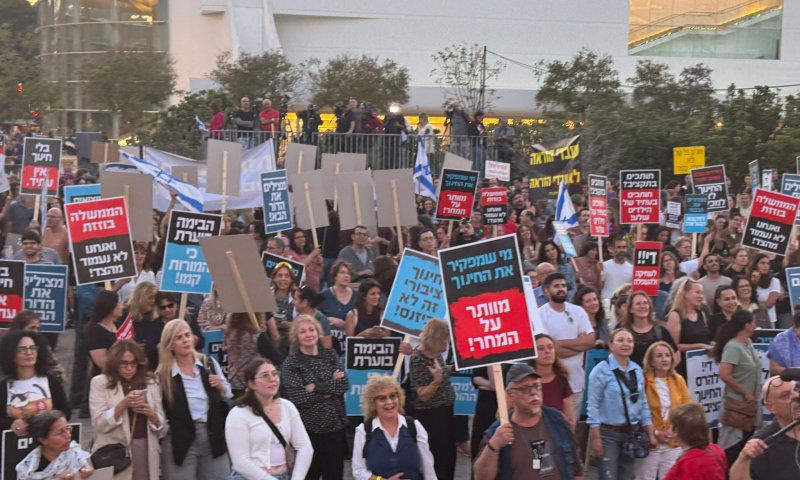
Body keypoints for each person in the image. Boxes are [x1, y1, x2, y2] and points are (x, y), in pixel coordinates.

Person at [473, 364, 584, 480]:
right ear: (511, 394)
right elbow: (481, 477)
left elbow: (576, 467)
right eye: (525, 388)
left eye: (537, 386)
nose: (534, 393)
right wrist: (494, 445)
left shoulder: (558, 420)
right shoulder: (499, 431)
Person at [157, 320, 232, 479]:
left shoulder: (208, 363)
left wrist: (220, 387)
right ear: (170, 345)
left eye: (187, 335)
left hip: (212, 434)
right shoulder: (162, 375)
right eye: (179, 338)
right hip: (180, 439)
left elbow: (228, 394)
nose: (185, 340)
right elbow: (159, 411)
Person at [281, 314, 349, 480]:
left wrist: (315, 388)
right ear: (296, 337)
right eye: (303, 332)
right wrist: (329, 388)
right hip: (307, 432)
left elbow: (343, 385)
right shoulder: (291, 364)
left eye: (311, 329)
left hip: (335, 430)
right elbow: (300, 398)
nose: (308, 334)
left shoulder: (331, 355)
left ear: (318, 332)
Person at [225, 357, 314, 480]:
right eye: (265, 375)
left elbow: (304, 446)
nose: (272, 379)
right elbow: (241, 462)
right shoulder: (238, 414)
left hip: (285, 475)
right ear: (252, 384)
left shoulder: (287, 406)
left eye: (274, 374)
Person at [89, 340, 165, 480]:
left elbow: (161, 425)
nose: (129, 368)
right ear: (114, 363)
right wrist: (123, 404)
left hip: (145, 448)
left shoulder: (150, 382)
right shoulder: (99, 383)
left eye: (133, 363)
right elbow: (99, 423)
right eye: (123, 363)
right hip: (114, 452)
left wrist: (151, 414)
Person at [587, 328, 656, 480]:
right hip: (608, 434)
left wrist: (650, 433)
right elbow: (592, 407)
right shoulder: (600, 371)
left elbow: (643, 403)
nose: (626, 344)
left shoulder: (637, 370)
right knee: (608, 476)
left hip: (631, 433)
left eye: (629, 341)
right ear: (611, 345)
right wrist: (596, 438)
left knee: (628, 476)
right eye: (620, 340)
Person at [351, 375, 437, 480]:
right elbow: (358, 471)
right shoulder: (363, 431)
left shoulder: (414, 426)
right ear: (373, 403)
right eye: (382, 398)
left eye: (393, 396)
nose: (389, 402)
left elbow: (428, 470)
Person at [538, 273, 595, 418]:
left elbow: (590, 341)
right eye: (556, 286)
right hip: (551, 384)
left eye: (563, 285)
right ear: (546, 291)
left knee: (571, 429)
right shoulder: (540, 315)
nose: (561, 289)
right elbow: (551, 351)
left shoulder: (578, 311)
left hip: (576, 383)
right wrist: (577, 344)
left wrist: (560, 343)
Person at [635, 342, 690, 480]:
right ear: (651, 361)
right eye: (659, 356)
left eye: (667, 356)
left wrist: (674, 430)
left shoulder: (679, 380)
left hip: (673, 441)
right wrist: (655, 433)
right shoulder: (643, 380)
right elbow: (637, 410)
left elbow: (686, 408)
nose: (664, 359)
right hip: (650, 440)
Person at [409, 318, 456, 480]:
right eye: (445, 339)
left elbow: (442, 371)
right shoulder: (418, 359)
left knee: (449, 455)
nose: (447, 344)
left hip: (446, 412)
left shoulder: (436, 354)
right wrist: (436, 382)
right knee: (437, 458)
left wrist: (457, 366)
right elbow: (422, 395)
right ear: (436, 338)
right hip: (432, 417)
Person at [712, 310, 762, 464]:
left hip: (751, 406)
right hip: (737, 406)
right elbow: (724, 374)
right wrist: (744, 392)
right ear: (746, 325)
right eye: (753, 322)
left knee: (747, 447)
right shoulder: (733, 346)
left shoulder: (748, 343)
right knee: (732, 447)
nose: (755, 326)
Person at [0, 330, 70, 437]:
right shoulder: (3, 386)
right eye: (22, 349)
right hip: (14, 446)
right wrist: (11, 424)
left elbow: (65, 411)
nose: (29, 353)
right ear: (11, 355)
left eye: (33, 348)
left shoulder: (51, 381)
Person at [730, 376, 800, 480]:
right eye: (785, 396)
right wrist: (743, 458)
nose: (796, 396)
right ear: (771, 407)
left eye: (797, 389)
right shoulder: (762, 443)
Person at [16, 411, 93, 480]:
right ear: (43, 440)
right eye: (61, 432)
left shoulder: (76, 454)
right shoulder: (27, 468)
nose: (68, 435)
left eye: (68, 428)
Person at [661, 403, 727, 480]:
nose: (669, 427)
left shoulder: (688, 463)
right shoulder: (716, 450)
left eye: (671, 424)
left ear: (676, 430)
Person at [665, 277, 712, 377]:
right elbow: (672, 347)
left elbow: (705, 339)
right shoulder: (675, 315)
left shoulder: (701, 314)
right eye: (697, 292)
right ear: (685, 294)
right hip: (683, 369)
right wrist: (698, 346)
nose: (701, 296)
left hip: (702, 370)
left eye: (702, 293)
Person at [620, 291, 679, 367]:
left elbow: (677, 356)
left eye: (645, 303)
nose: (642, 306)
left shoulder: (661, 330)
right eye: (638, 304)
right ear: (631, 309)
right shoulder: (622, 329)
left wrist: (664, 373)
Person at [532, 333, 575, 428]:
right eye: (541, 348)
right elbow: (501, 413)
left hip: (557, 434)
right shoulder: (525, 381)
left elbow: (570, 419)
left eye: (550, 347)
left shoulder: (562, 380)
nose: (547, 351)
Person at [224, 312, 268, 398]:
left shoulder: (229, 333)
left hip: (234, 382)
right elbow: (276, 358)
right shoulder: (257, 336)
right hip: (253, 384)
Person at [318, 260, 356, 352]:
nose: (346, 276)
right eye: (342, 272)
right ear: (335, 276)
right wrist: (329, 319)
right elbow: (314, 317)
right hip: (330, 344)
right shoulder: (323, 296)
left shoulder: (357, 296)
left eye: (348, 273)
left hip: (351, 345)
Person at [751, 253, 782, 326]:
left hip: (768, 319)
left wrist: (753, 307)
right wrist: (754, 283)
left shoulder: (774, 281)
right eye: (762, 263)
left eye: (768, 263)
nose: (765, 266)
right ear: (755, 265)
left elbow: (770, 303)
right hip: (751, 320)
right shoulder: (749, 280)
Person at [601, 235, 633, 300]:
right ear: (612, 249)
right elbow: (599, 286)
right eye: (618, 247)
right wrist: (598, 272)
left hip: (624, 302)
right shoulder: (603, 266)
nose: (621, 250)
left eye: (624, 247)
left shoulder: (632, 268)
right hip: (607, 301)